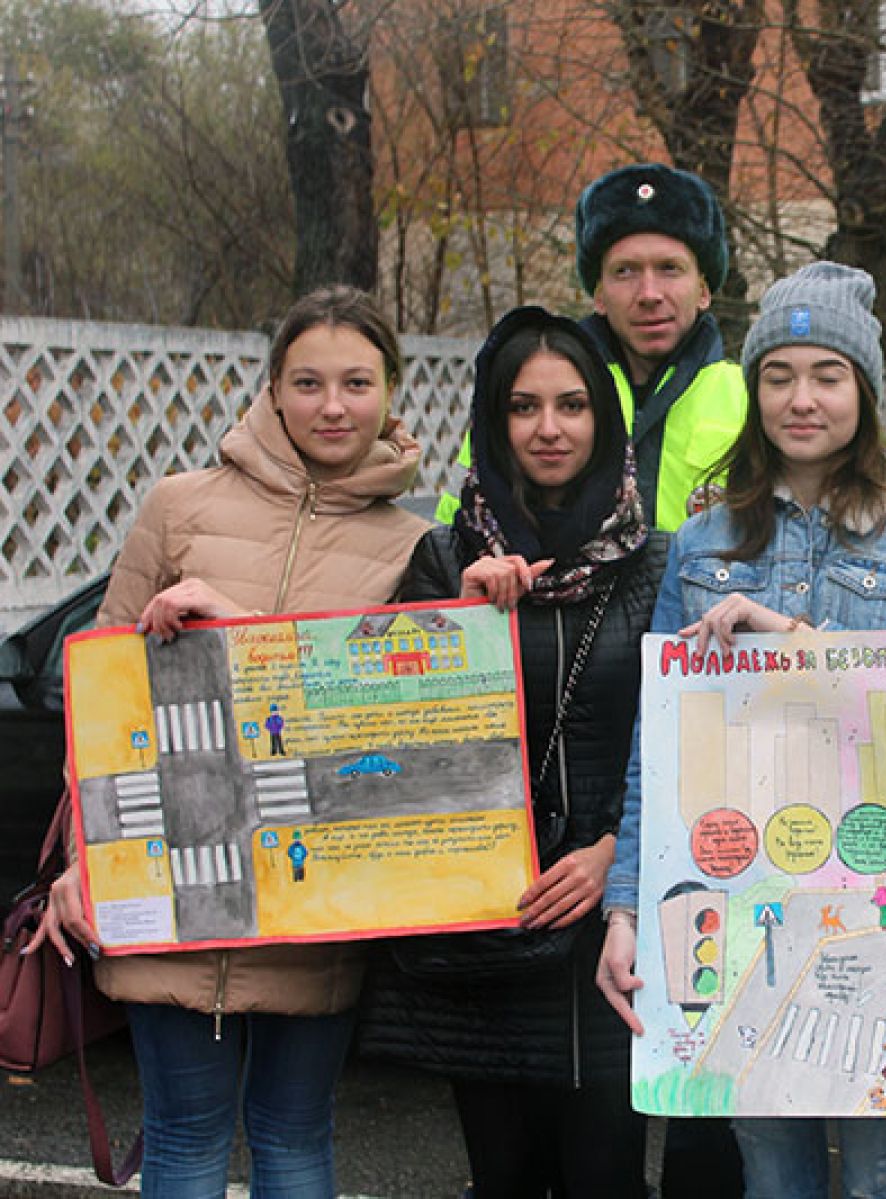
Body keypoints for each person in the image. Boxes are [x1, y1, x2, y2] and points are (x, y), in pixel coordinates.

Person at [27, 286, 430, 1197]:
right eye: (310, 381)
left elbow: (386, 735)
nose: (334, 405)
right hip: (164, 890)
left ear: (390, 391)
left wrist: (241, 624)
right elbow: (99, 696)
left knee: (293, 1140)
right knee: (182, 1141)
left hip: (313, 898)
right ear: (274, 390)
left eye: (358, 382)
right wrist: (85, 856)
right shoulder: (177, 506)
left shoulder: (417, 545)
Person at [597, 262, 886, 1199]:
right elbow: (663, 744)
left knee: (883, 1175)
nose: (801, 399)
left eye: (827, 375)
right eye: (778, 375)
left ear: (864, 387)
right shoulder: (700, 546)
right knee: (770, 1169)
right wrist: (626, 907)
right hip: (738, 900)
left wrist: (792, 641)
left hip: (883, 899)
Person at [358, 307, 699, 1196]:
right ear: (492, 422)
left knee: (607, 1176)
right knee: (501, 1179)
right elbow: (391, 757)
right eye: (524, 406)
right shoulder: (440, 562)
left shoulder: (658, 564)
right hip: (487, 926)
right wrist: (459, 627)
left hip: (607, 927)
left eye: (574, 405)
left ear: (607, 421)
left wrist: (615, 858)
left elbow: (690, 742)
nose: (550, 428)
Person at [438, 163, 748, 532]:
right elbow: (456, 537)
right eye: (625, 271)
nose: (649, 294)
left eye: (669, 269)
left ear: (703, 289)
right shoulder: (533, 391)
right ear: (598, 293)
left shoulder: (750, 400)